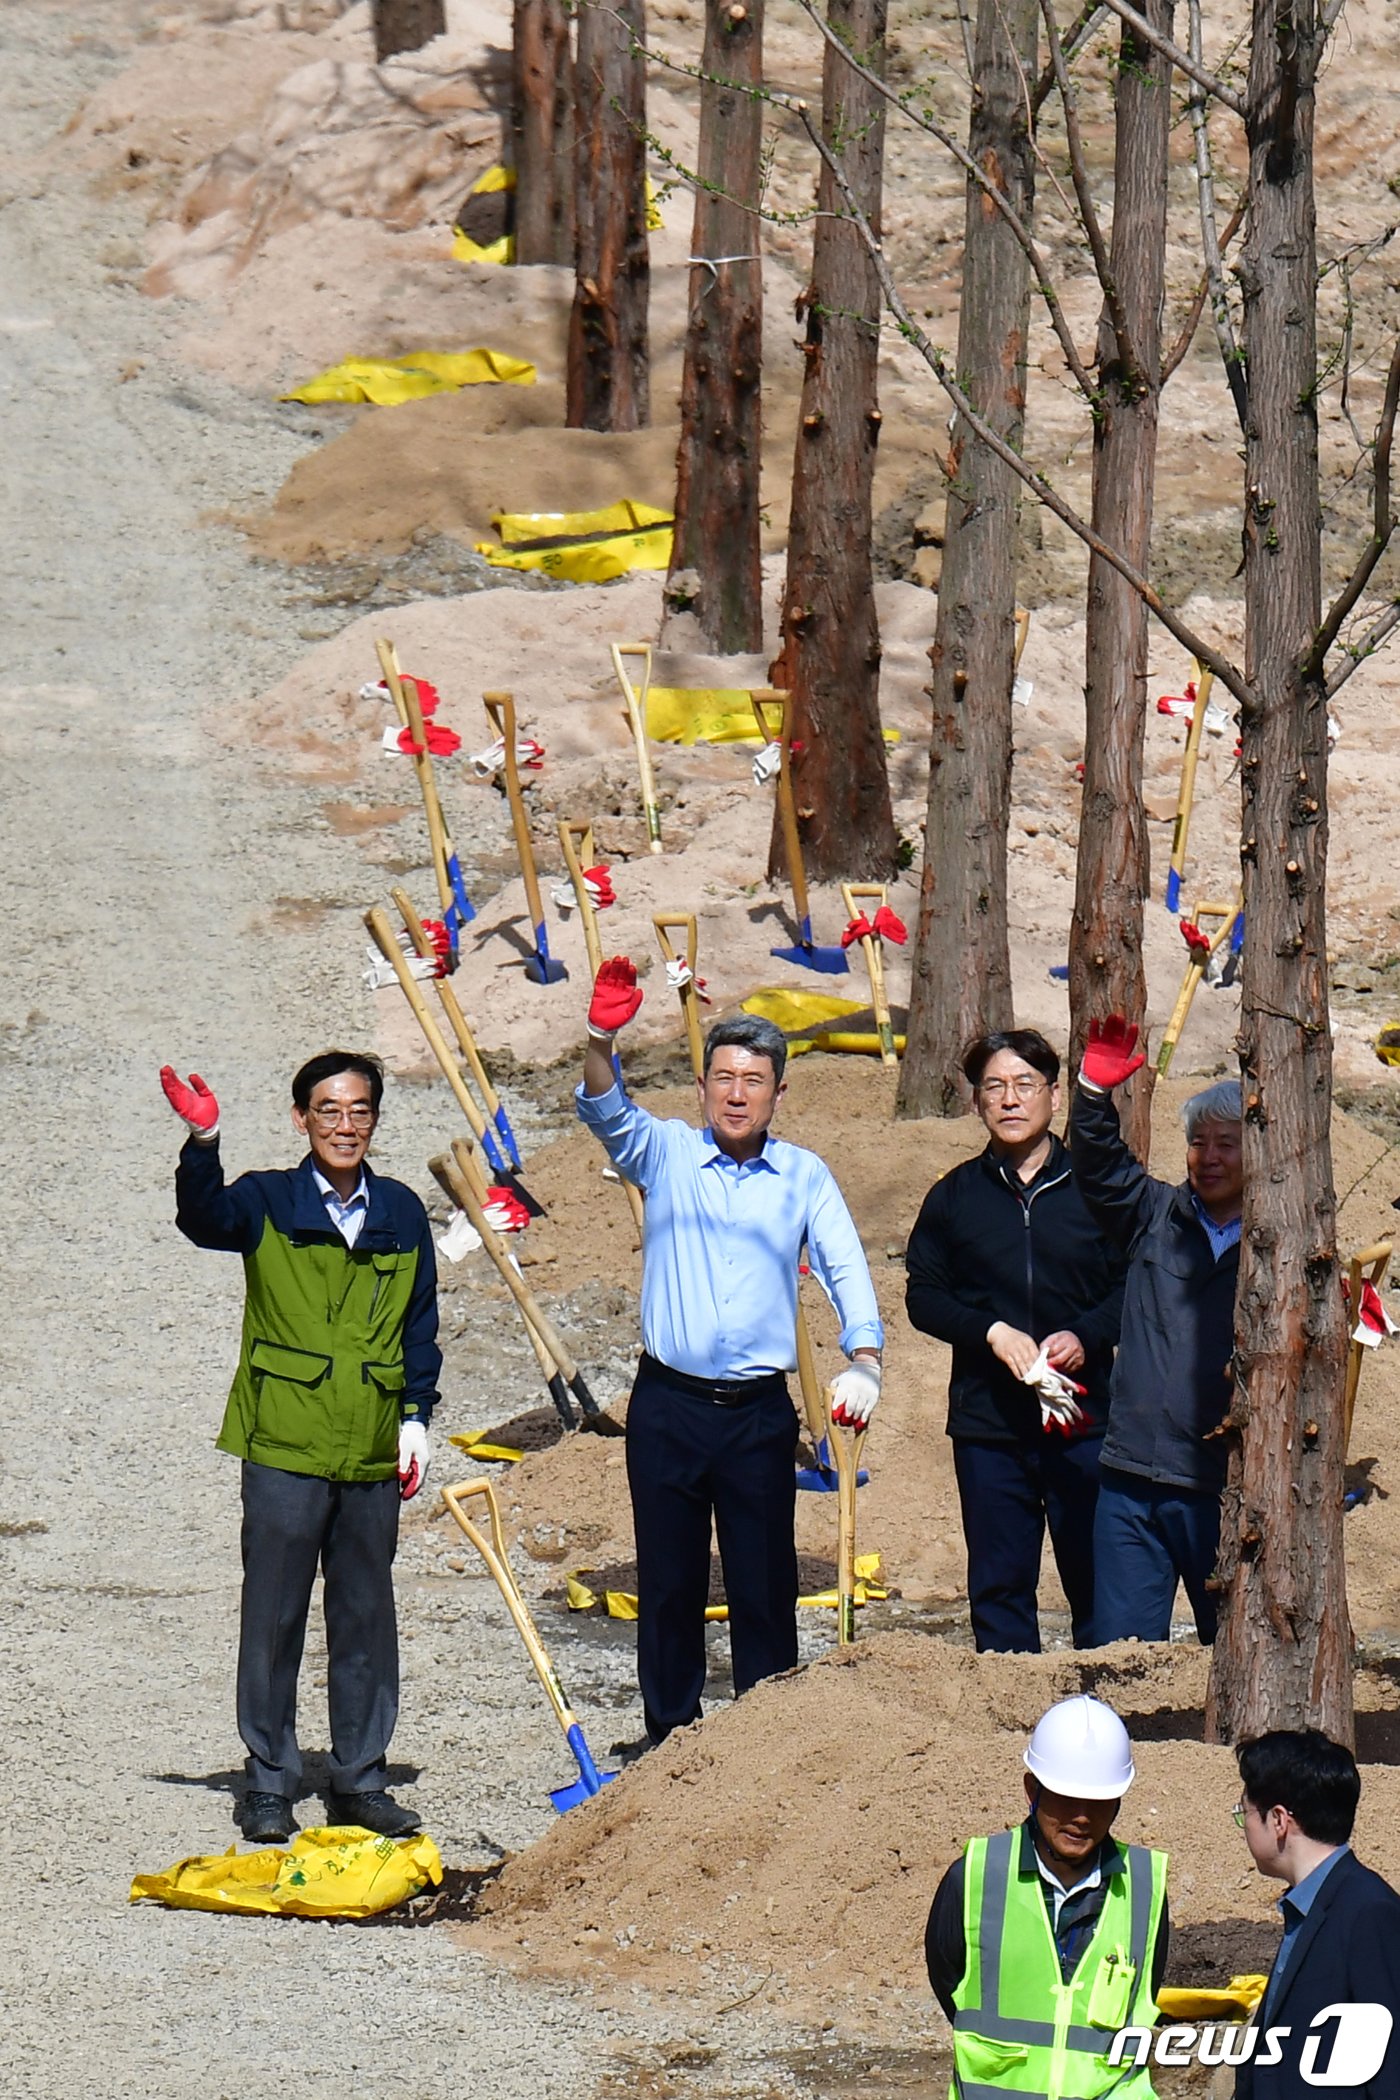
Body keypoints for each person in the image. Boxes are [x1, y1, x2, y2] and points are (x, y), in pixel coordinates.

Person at [577, 960, 883, 1748]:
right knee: (670, 1578)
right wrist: (601, 1036)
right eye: (723, 1078)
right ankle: (670, 1732)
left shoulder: (802, 1175)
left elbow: (844, 1262)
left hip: (755, 1415)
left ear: (779, 1092)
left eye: (754, 1080)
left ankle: (763, 1734)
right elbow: (605, 1106)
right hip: (669, 1405)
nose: (737, 1093)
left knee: (763, 1579)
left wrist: (866, 1356)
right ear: (702, 1087)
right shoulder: (666, 1153)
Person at [161, 1050, 440, 1844]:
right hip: (284, 1440)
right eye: (328, 1110)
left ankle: (360, 1779)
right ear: (301, 1119)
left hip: (371, 1447)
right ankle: (270, 1784)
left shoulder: (402, 1211)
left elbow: (420, 1325)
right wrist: (203, 1141)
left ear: (374, 1120)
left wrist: (416, 1416)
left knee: (364, 1615)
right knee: (275, 1617)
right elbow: (202, 1221)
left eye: (359, 1111)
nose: (344, 1125)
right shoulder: (266, 1200)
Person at [905, 1029, 1125, 1653]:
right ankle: (1010, 1722)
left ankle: (1103, 1716)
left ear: (1053, 1096)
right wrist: (990, 1332)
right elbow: (923, 1294)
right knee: (1000, 1585)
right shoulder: (954, 1197)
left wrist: (1086, 1335)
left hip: (1084, 1421)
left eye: (1025, 1085)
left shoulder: (1098, 1191)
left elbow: (1134, 1286)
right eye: (994, 1087)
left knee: (1096, 1581)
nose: (1010, 1100)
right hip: (989, 1427)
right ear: (976, 1101)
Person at [1070, 1018, 1240, 1645]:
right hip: (1132, 1481)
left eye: (1227, 1143)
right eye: (1199, 1143)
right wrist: (1091, 1092)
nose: (1210, 1157)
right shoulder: (1155, 1214)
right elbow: (1097, 1167)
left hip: (1220, 1488)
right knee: (1119, 1654)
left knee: (1233, 1650)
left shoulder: (1279, 1246)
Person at [925, 1695, 1169, 2097]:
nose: (1081, 1816)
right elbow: (949, 1982)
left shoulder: (1145, 1887)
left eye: (1098, 1801)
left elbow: (1147, 1990)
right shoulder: (975, 1877)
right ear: (1031, 1790)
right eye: (1066, 1797)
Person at [1235, 1729, 1400, 2098]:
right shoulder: (1308, 1907)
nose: (1242, 1826)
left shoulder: (1370, 1913)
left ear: (1278, 1820)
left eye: (1243, 1813)